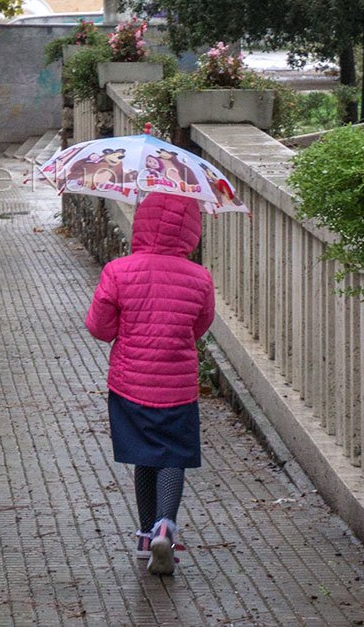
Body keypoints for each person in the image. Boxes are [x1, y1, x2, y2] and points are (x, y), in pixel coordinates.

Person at [85, 192, 215, 576]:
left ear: (141, 221)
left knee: (144, 454)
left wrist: (123, 329)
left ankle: (145, 536)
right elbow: (199, 327)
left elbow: (99, 326)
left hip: (131, 384)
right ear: (191, 231)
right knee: (173, 454)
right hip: (177, 385)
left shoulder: (119, 270)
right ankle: (165, 527)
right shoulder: (199, 277)